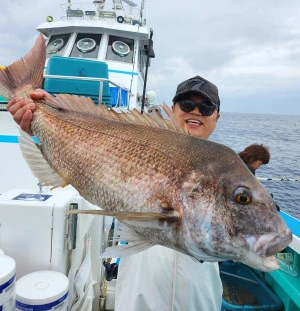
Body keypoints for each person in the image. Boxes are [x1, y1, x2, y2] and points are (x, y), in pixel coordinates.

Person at [7, 75, 223, 311]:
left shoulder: (226, 170)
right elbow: (87, 160)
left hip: (199, 298)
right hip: (138, 295)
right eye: (187, 104)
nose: (196, 111)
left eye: (206, 106)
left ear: (216, 116)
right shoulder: (137, 139)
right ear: (173, 109)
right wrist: (42, 118)